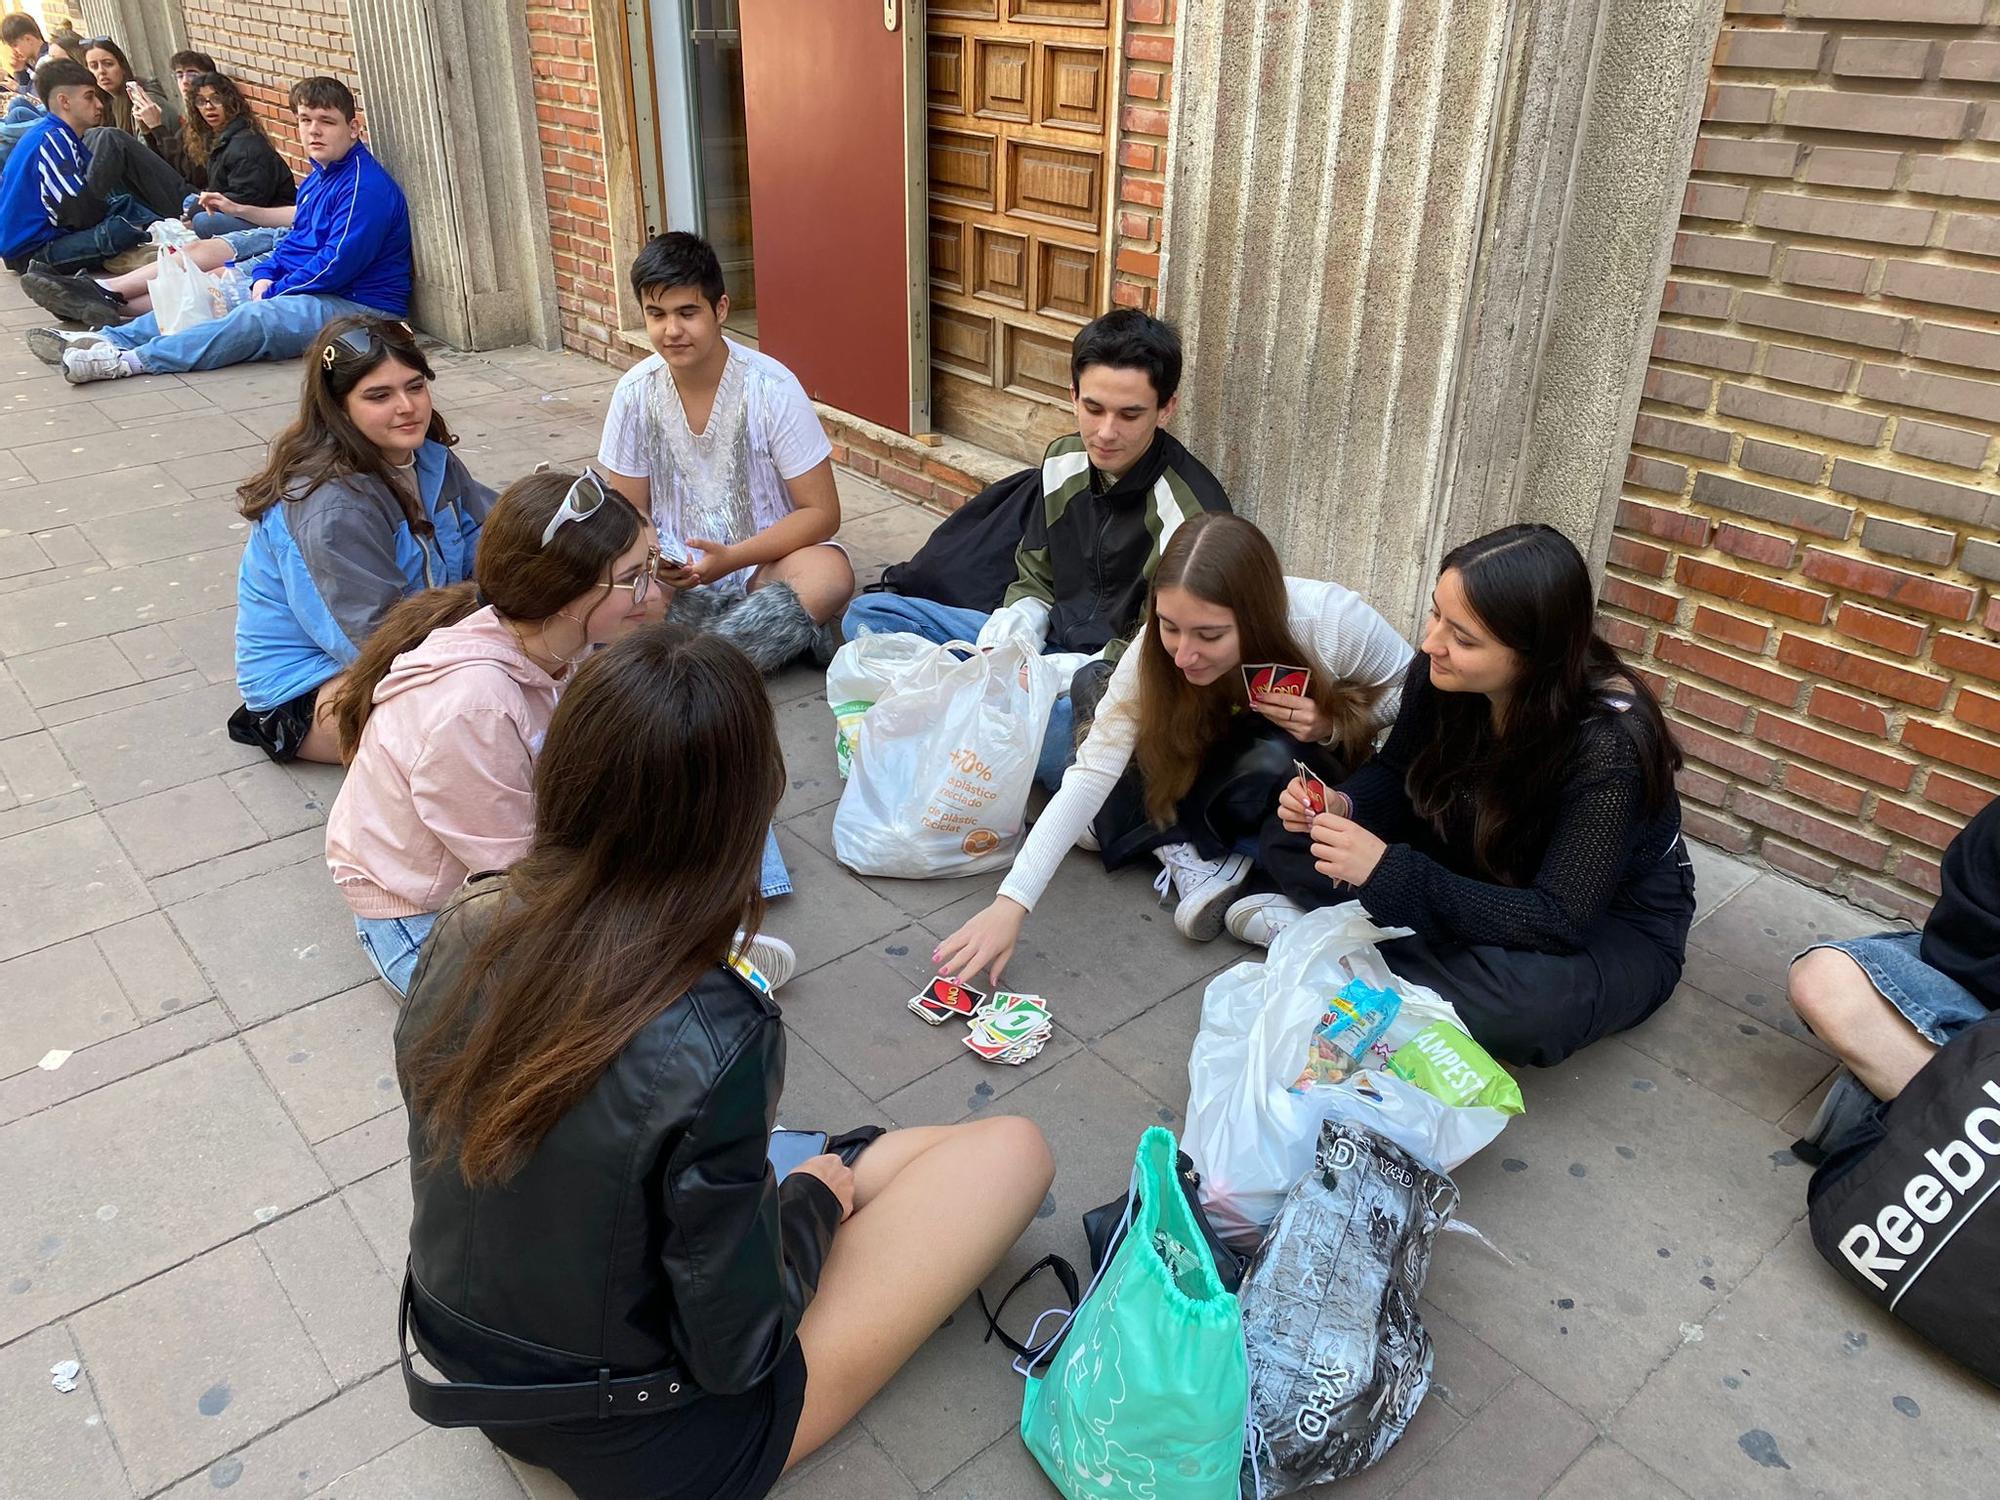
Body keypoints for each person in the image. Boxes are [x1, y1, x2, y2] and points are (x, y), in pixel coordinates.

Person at [395, 622, 1054, 1500]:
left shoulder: (466, 925)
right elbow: (737, 1347)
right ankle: (825, 1181)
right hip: (644, 1442)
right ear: (742, 815)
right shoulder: (718, 1029)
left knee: (863, 1161)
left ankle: (824, 1175)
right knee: (1013, 1152)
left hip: (465, 1366)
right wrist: (811, 1208)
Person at [1245, 524, 1693, 1069]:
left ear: (1535, 654)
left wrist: (1389, 875)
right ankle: (1382, 952)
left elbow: (1559, 919)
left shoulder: (1610, 746)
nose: (1432, 643)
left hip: (1603, 916)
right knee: (1292, 834)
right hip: (1472, 850)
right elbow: (1396, 772)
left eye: (1464, 638)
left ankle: (1344, 942)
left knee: (1526, 1011)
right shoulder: (1437, 674)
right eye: (1436, 614)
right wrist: (1344, 807)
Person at [935, 514, 1410, 977]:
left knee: (1261, 765)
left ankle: (1191, 845)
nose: (1184, 655)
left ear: (1256, 615)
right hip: (1189, 766)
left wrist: (1334, 722)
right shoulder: (1154, 652)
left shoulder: (1330, 618)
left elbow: (1419, 697)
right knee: (1087, 693)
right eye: (1169, 627)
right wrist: (1009, 903)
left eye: (1210, 635)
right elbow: (1093, 772)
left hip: (1277, 776)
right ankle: (1180, 840)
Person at [843, 308, 1232, 789]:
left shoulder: (1194, 515)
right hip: (1045, 645)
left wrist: (1054, 674)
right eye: (1093, 408)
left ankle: (953, 718)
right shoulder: (1063, 458)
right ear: (1072, 396)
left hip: (1107, 682)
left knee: (1055, 749)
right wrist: (1013, 634)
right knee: (870, 616)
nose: (1107, 432)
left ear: (1166, 409)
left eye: (1130, 414)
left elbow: (1158, 648)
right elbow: (1036, 574)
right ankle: (976, 722)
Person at [323, 471, 666, 993]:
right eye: (636, 577)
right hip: (422, 920)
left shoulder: (554, 646)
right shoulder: (476, 707)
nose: (654, 591)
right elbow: (512, 874)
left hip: (493, 864)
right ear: (567, 593)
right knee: (610, 1001)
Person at [21, 74, 409, 383]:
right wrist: (264, 273)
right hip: (321, 288)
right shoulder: (320, 176)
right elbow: (296, 242)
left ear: (354, 127)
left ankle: (129, 362)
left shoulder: (365, 186)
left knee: (253, 319)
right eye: (305, 121)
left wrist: (274, 288)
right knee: (213, 292)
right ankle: (108, 339)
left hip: (362, 306)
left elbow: (336, 263)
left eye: (327, 122)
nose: (314, 132)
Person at [230, 317, 495, 765]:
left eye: (415, 387)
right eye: (379, 396)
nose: (407, 407)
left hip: (427, 640)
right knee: (478, 721)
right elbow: (374, 645)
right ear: (338, 407)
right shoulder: (331, 506)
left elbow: (495, 543)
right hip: (314, 690)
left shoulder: (430, 459)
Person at [597, 231, 852, 674]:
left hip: (763, 562)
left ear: (720, 309)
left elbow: (822, 512)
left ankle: (687, 669)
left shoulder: (771, 387)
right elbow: (629, 512)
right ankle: (752, 646)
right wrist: (658, 562)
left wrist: (733, 558)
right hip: (673, 572)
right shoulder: (634, 393)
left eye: (687, 312)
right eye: (656, 314)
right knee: (598, 574)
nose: (671, 331)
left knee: (830, 575)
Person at [1789, 798, 1999, 1148]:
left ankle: (1909, 1099)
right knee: (1824, 981)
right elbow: (1960, 937)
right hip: (1971, 990)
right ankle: (1953, 1121)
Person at [0, 59, 161, 275]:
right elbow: (73, 209)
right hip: (33, 251)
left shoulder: (56, 133)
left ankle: (149, 238)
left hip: (46, 236)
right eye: (89, 97)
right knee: (116, 232)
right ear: (64, 101)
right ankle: (141, 246)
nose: (99, 104)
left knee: (123, 205)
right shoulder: (53, 139)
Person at [176, 72, 292, 235]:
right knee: (191, 201)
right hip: (240, 203)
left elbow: (249, 197)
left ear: (230, 102)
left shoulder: (245, 145)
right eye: (201, 102)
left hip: (267, 216)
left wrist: (198, 209)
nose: (209, 107)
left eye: (216, 99)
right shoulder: (220, 136)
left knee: (203, 221)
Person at [4, 14, 42, 92]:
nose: (13, 51)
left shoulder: (48, 61)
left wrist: (18, 88)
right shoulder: (32, 61)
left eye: (15, 45)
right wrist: (20, 70)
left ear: (28, 39)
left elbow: (40, 97)